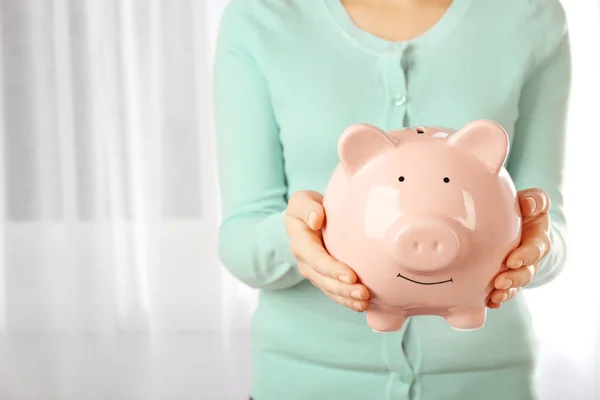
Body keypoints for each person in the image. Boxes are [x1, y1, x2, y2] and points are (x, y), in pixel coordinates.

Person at [212, 0, 571, 398]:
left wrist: (537, 249)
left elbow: (548, 223)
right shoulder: (261, 17)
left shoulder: (530, 15)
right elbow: (240, 236)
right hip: (306, 381)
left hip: (485, 381)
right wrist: (300, 240)